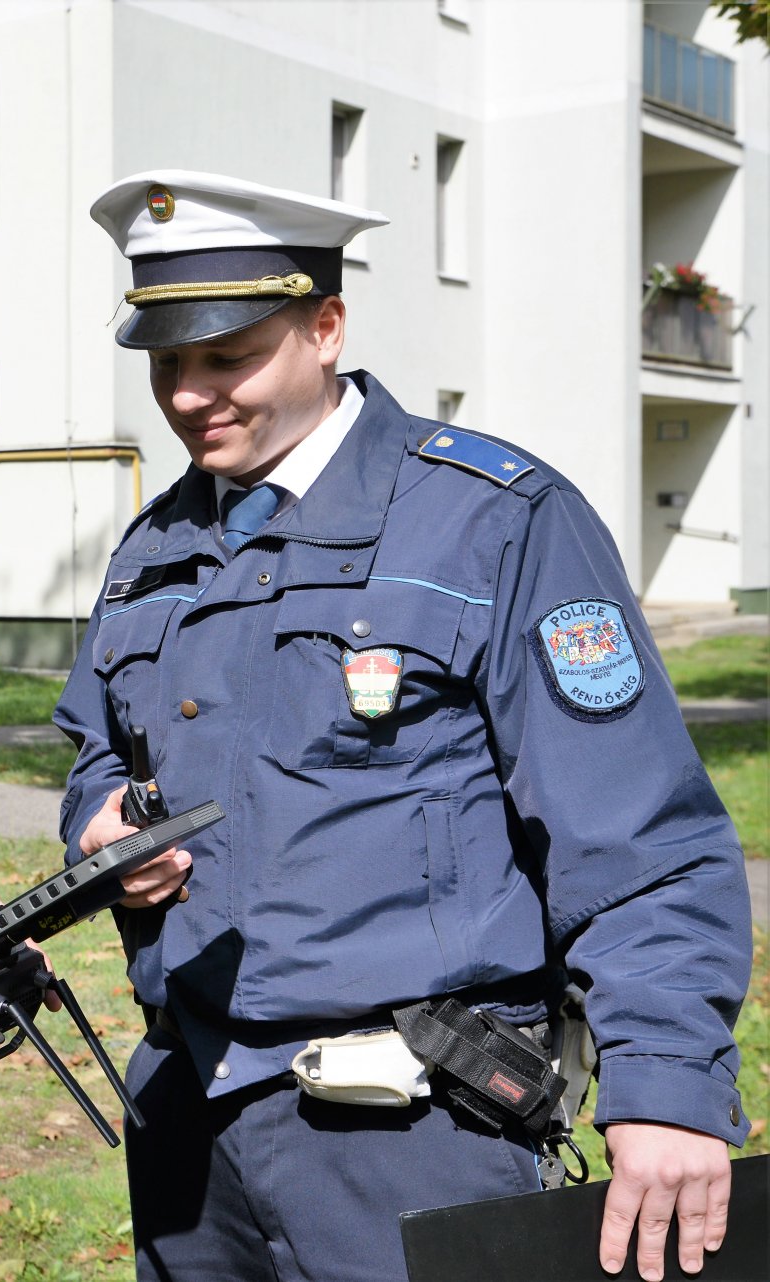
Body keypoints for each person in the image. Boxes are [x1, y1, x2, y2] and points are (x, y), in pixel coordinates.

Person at [54, 171, 752, 1282]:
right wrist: (99, 827)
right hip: (192, 1113)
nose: (189, 395)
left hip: (407, 1129)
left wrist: (666, 1086)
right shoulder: (156, 547)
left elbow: (637, 836)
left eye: (227, 356)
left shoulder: (493, 521)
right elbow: (99, 751)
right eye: (166, 362)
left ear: (326, 327)